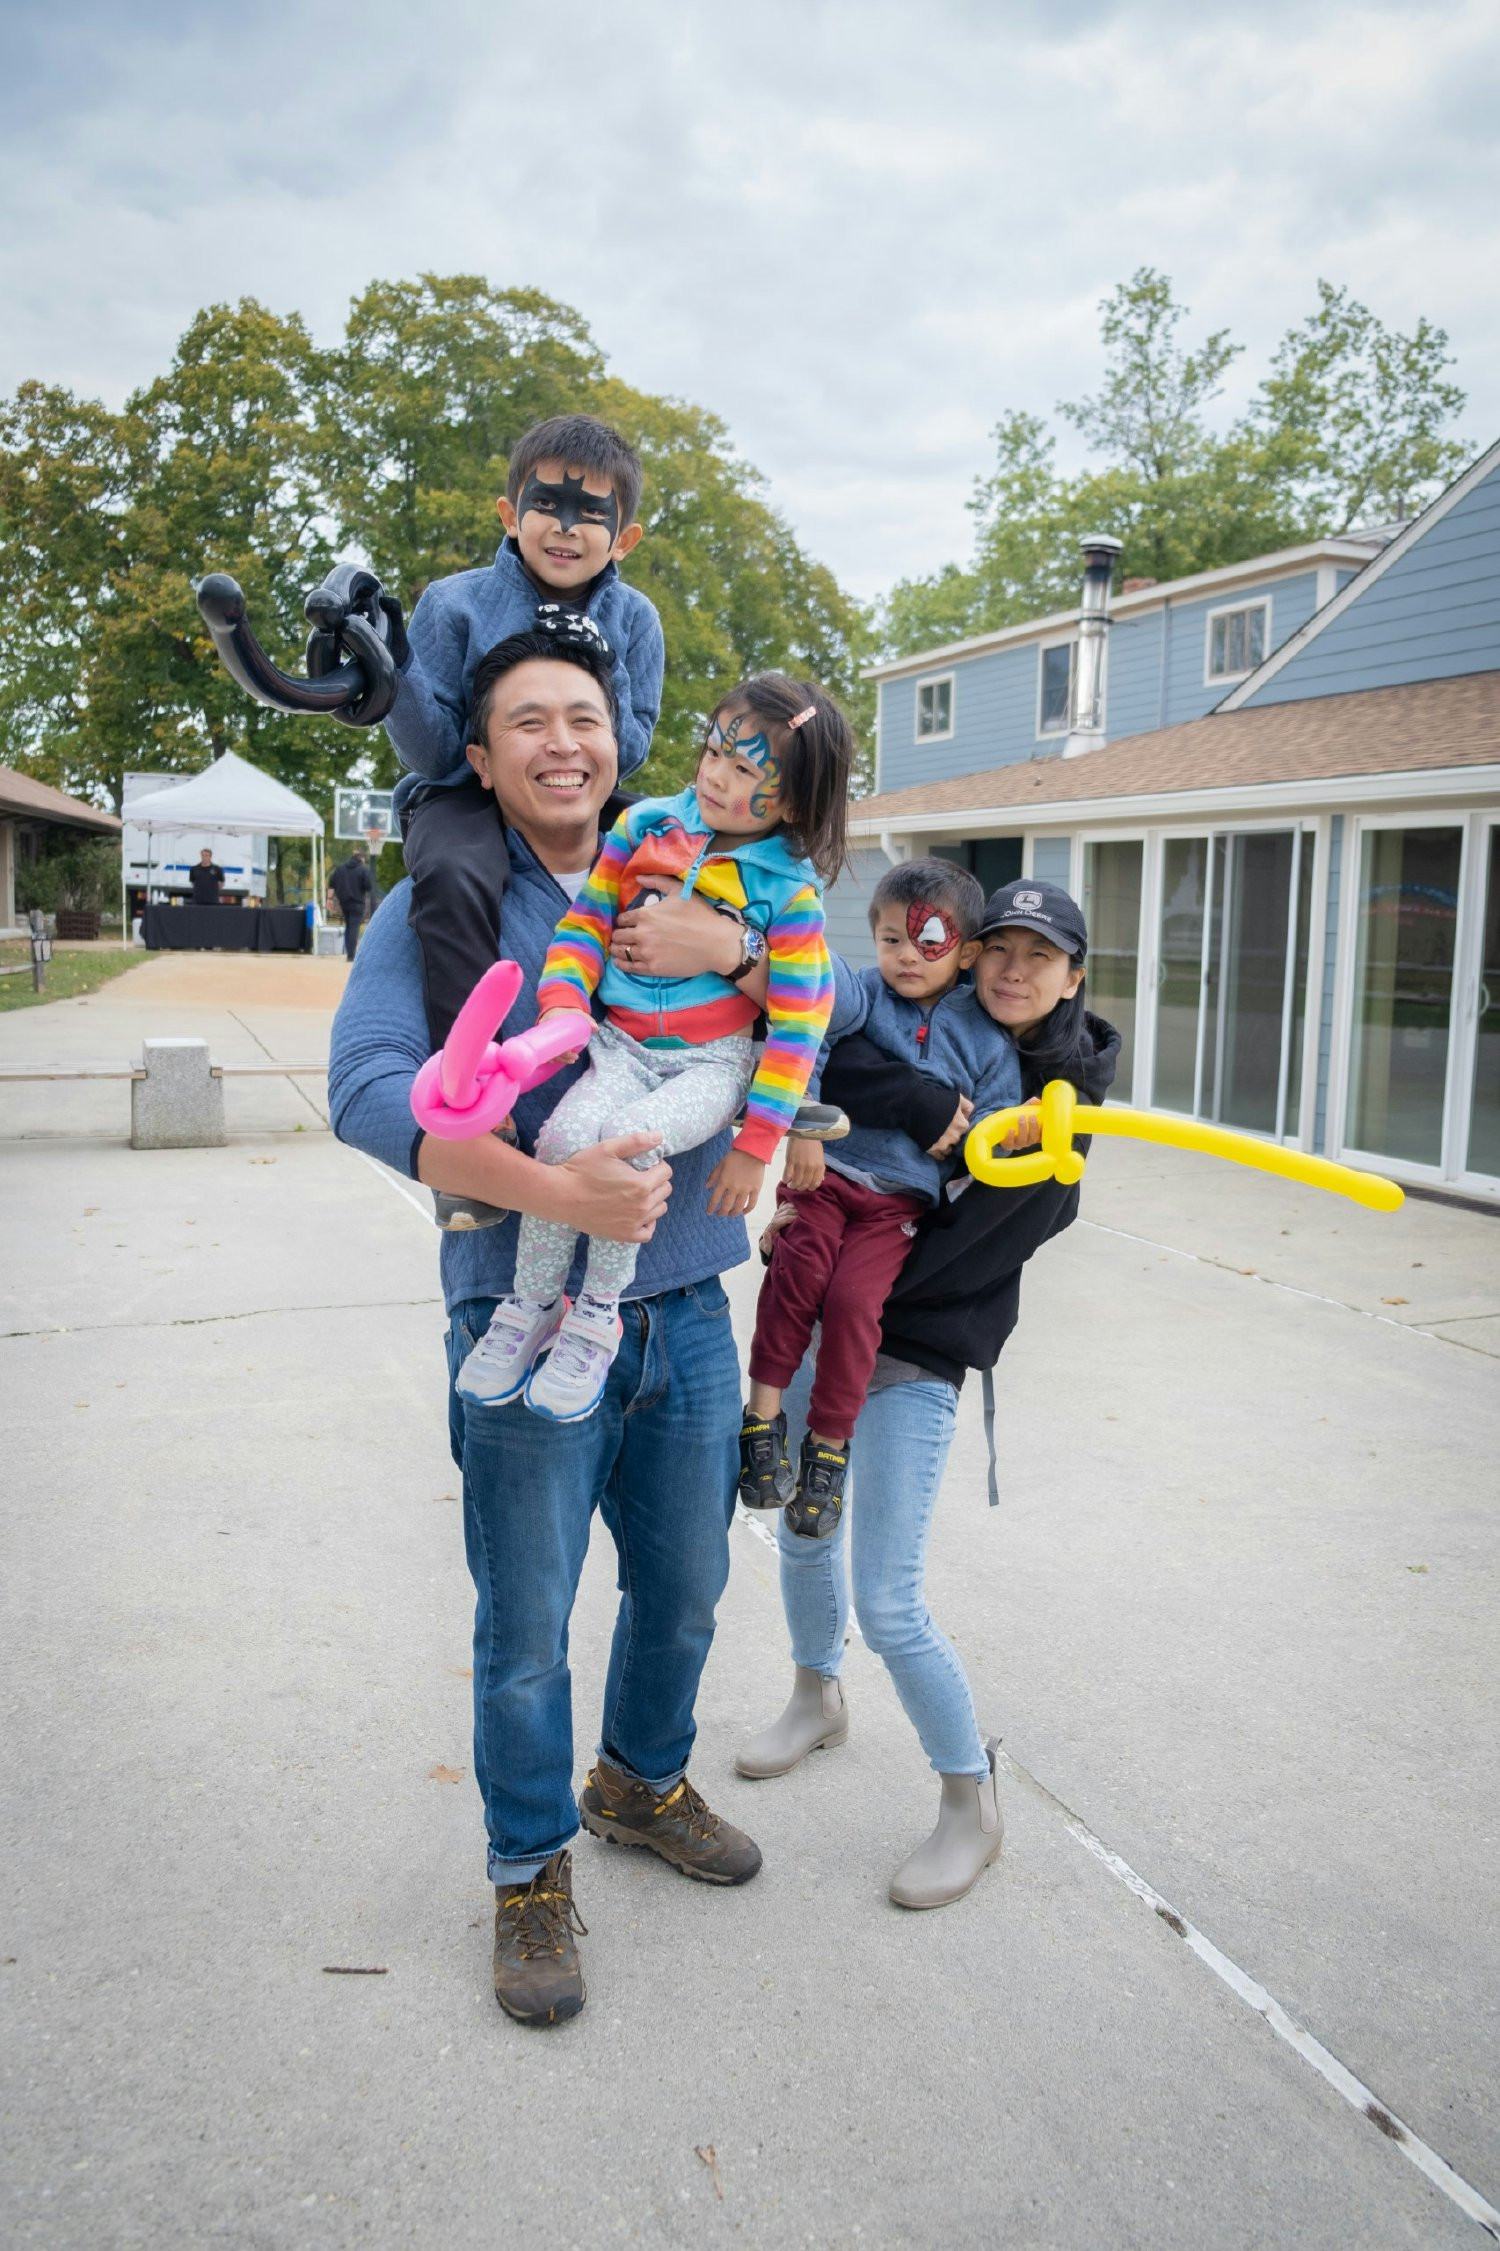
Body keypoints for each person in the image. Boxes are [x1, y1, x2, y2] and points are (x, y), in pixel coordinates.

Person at [328, 625, 766, 2031]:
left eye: (584, 713)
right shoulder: (442, 898)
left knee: (688, 1585)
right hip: (512, 1301)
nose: (562, 740)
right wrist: (546, 1186)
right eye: (529, 721)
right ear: (481, 754)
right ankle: (527, 1865)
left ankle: (639, 1777)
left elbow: (840, 1014)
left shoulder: (712, 869)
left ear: (618, 736)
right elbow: (366, 1090)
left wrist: (737, 944)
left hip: (686, 1299)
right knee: (525, 1622)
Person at [736, 879, 1120, 1915]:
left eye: (1039, 958)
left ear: (1074, 978)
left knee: (890, 1597)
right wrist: (814, 1221)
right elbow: (840, 1048)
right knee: (804, 1533)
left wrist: (851, 1258)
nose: (1010, 968)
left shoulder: (1059, 1100)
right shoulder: (931, 1011)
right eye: (997, 946)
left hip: (911, 1340)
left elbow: (981, 1238)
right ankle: (817, 1694)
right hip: (836, 1308)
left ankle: (969, 1799)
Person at [456, 673, 851, 1426]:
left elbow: (802, 1022)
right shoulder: (641, 830)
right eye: (712, 751)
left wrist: (757, 1145)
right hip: (617, 1047)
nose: (712, 773)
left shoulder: (792, 897)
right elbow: (584, 927)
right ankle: (534, 1303)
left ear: (792, 804)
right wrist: (564, 1008)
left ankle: (595, 1314)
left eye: (742, 770)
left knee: (627, 1144)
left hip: (714, 1064)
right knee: (562, 1138)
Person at [739, 858, 1021, 1537]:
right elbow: (807, 1030)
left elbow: (993, 1127)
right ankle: (761, 1419)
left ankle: (828, 1451)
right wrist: (804, 1127)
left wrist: (1009, 1129)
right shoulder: (864, 994)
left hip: (897, 1204)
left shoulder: (986, 1040)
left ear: (967, 951)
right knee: (798, 1274)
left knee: (855, 1303)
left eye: (928, 941)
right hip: (826, 1174)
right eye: (890, 938)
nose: (905, 955)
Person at [386, 412, 664, 1057]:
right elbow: (431, 752)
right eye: (547, 505)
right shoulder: (453, 604)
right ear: (510, 515)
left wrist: (607, 666)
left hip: (579, 790)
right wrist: (393, 671)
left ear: (624, 539)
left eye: (591, 513)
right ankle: (467, 1055)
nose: (566, 526)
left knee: (685, 854)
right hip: (464, 794)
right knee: (454, 870)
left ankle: (687, 1039)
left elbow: (632, 748)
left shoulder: (635, 619)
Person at [330, 848, 374, 958]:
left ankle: (348, 951)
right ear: (362, 859)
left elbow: (331, 883)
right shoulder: (363, 870)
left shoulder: (340, 869)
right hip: (357, 903)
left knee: (348, 926)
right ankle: (351, 954)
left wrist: (329, 899)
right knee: (354, 927)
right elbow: (369, 886)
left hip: (344, 902)